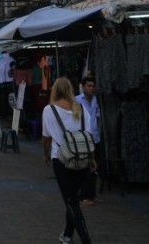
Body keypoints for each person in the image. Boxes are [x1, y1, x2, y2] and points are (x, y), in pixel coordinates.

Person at [42, 77, 94, 244]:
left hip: (61, 159)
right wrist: (92, 158)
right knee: (71, 198)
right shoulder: (82, 110)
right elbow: (89, 136)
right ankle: (67, 234)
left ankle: (85, 239)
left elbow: (46, 137)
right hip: (83, 159)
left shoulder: (49, 110)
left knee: (71, 201)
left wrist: (45, 154)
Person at [75, 76, 103, 206]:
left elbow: (97, 117)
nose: (91, 88)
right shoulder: (77, 100)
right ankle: (83, 196)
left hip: (95, 137)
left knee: (95, 167)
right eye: (89, 86)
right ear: (83, 86)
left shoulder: (96, 100)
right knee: (85, 168)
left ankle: (91, 194)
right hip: (83, 138)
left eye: (93, 86)